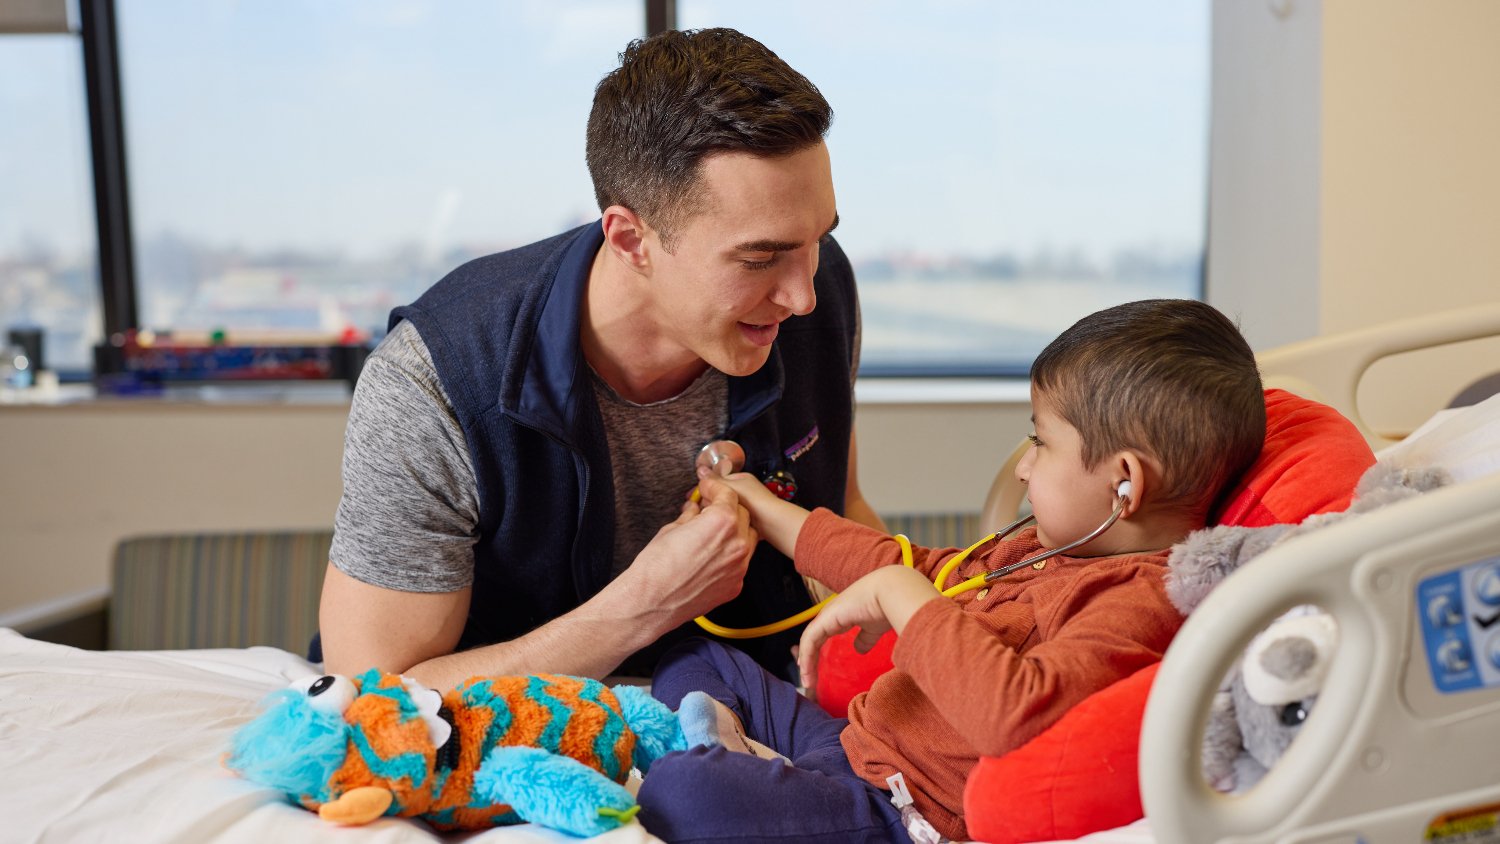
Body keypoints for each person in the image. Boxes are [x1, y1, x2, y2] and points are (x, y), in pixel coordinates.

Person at [315, 28, 883, 690]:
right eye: (760, 258)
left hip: (756, 715)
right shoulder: (436, 381)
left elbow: (843, 508)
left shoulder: (819, 293)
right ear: (630, 238)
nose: (804, 295)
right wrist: (642, 608)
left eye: (817, 240)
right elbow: (369, 692)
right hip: (527, 748)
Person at [636, 299, 1267, 843]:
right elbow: (905, 564)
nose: (1023, 469)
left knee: (684, 794)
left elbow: (1014, 714)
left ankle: (715, 755)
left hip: (898, 813)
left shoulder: (1135, 603)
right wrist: (766, 509)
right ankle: (726, 748)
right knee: (698, 653)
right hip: (851, 743)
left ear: (1123, 483)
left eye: (1041, 442)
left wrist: (904, 597)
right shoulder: (1051, 549)